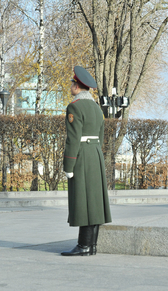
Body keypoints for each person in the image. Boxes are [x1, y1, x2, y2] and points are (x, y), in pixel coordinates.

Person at [61, 66, 112, 256]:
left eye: (72, 84)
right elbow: (100, 135)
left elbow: (73, 138)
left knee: (82, 200)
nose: (71, 87)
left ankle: (83, 245)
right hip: (95, 155)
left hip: (81, 156)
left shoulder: (74, 106)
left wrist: (68, 164)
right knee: (95, 201)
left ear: (77, 86)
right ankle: (92, 246)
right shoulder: (97, 109)